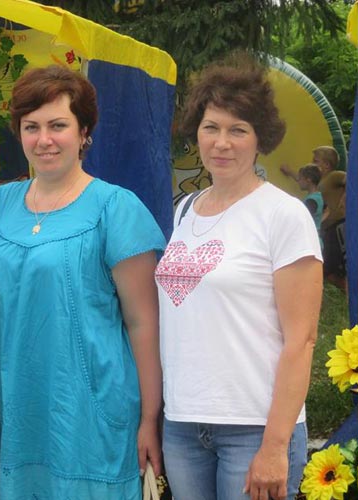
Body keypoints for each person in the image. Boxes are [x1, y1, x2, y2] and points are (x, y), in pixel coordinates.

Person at [0, 64, 166, 499]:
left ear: (84, 132)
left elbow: (143, 323)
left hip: (92, 418)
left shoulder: (115, 208)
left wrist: (149, 418)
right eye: (31, 127)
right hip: (15, 417)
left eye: (58, 125)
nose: (44, 139)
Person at [156, 55, 323, 500]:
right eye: (211, 127)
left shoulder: (283, 216)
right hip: (183, 424)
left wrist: (275, 445)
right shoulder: (184, 211)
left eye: (238, 130)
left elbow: (302, 340)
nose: (221, 143)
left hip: (255, 427)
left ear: (259, 138)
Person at [281, 146, 346, 290]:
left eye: (316, 161)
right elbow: (305, 181)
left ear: (326, 165)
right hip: (327, 228)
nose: (312, 162)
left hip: (338, 226)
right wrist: (290, 171)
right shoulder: (318, 182)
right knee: (329, 270)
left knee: (331, 265)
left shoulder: (335, 176)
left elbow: (351, 179)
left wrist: (344, 199)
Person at [295, 164, 324, 238]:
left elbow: (303, 219)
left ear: (309, 180)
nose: (298, 180)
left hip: (311, 237)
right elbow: (328, 210)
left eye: (300, 178)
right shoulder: (319, 196)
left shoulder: (311, 201)